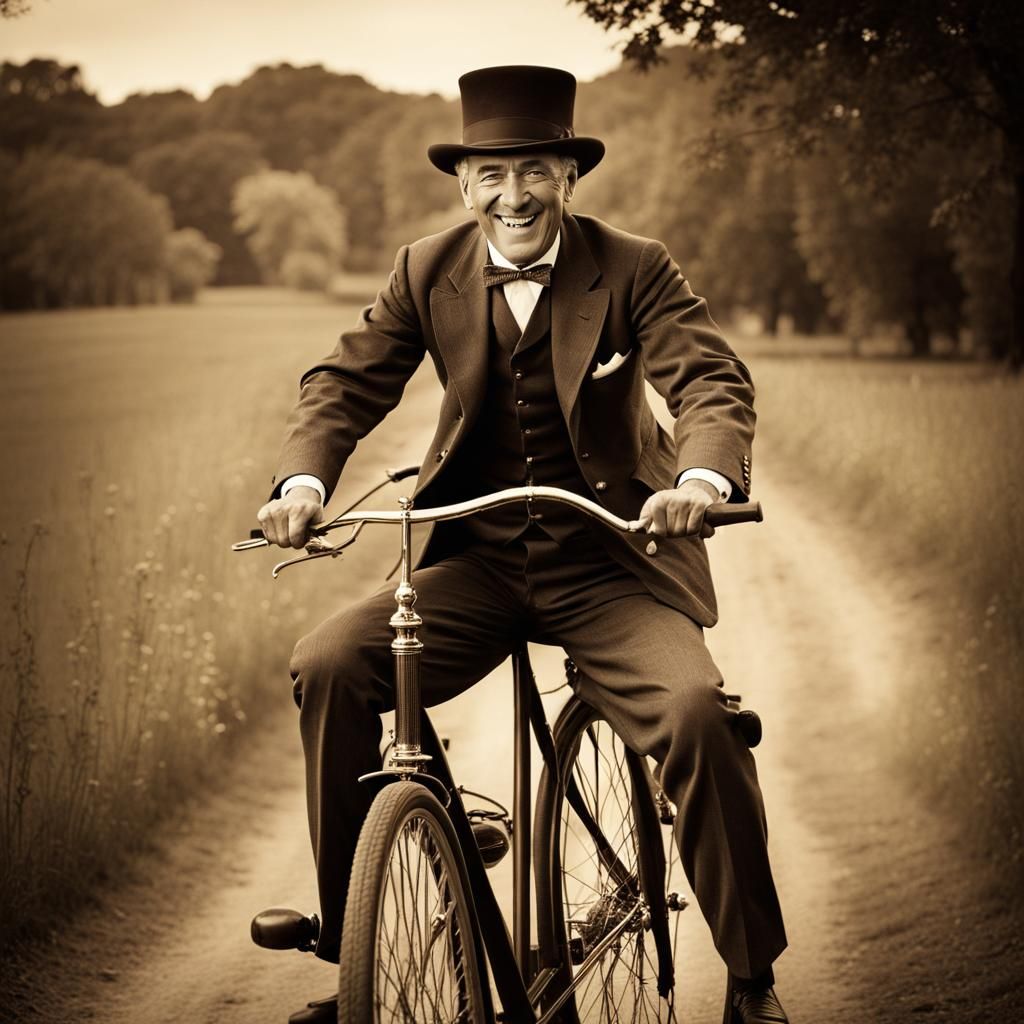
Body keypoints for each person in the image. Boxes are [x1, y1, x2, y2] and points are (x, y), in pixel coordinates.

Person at [252, 65, 789, 1024]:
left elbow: (711, 380)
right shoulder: (427, 268)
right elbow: (344, 383)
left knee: (699, 713)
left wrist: (701, 481)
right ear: (463, 183)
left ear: (568, 176)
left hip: (611, 565)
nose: (515, 195)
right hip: (479, 563)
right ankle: (353, 948)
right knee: (330, 661)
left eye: (535, 169)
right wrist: (301, 482)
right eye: (492, 175)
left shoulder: (634, 265)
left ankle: (751, 981)